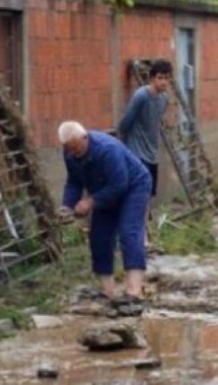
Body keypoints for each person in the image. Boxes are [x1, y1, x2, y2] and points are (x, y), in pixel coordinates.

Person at [58, 121, 152, 309]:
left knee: (129, 232)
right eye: (69, 149)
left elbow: (120, 184)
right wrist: (67, 206)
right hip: (103, 190)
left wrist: (90, 201)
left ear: (85, 138)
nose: (74, 153)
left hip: (133, 187)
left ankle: (134, 290)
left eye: (76, 148)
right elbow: (74, 181)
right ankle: (108, 290)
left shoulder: (107, 150)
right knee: (99, 236)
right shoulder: (70, 153)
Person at [118, 59, 173, 245]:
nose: (163, 82)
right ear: (151, 78)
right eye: (159, 78)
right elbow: (125, 123)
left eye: (166, 78)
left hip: (152, 153)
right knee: (140, 195)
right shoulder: (141, 96)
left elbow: (158, 121)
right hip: (136, 153)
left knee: (147, 196)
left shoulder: (164, 98)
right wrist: (122, 148)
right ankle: (142, 239)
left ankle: (144, 235)